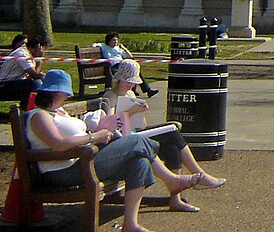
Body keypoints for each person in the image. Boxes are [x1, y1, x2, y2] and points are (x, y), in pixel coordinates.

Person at [27, 69, 201, 231]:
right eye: (65, 92)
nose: (67, 96)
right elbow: (59, 143)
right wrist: (94, 137)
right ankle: (171, 180)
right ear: (54, 92)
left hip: (83, 160)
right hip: (62, 171)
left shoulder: (60, 112)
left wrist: (99, 132)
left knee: (138, 162)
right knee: (136, 140)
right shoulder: (39, 115)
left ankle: (130, 224)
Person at [103, 59, 226, 207]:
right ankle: (201, 176)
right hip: (124, 140)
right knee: (173, 134)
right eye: (126, 80)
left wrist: (140, 112)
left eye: (132, 81)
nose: (129, 84)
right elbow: (110, 123)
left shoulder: (130, 95)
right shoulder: (110, 96)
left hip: (135, 133)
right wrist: (132, 111)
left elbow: (141, 125)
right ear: (119, 79)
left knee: (172, 147)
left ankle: (175, 199)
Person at [100, 32, 158, 97]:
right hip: (113, 66)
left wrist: (124, 48)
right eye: (113, 40)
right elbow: (94, 45)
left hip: (122, 64)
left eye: (116, 40)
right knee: (129, 74)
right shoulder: (103, 46)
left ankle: (148, 90)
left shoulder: (117, 48)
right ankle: (135, 90)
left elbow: (130, 56)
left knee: (135, 71)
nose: (115, 42)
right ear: (109, 41)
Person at [0, 35, 45, 102]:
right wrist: (39, 59)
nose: (42, 52)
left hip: (12, 83)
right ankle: (33, 107)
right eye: (42, 49)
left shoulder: (28, 54)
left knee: (34, 82)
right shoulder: (22, 54)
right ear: (38, 47)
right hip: (3, 85)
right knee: (34, 84)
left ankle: (27, 107)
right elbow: (34, 75)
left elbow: (35, 74)